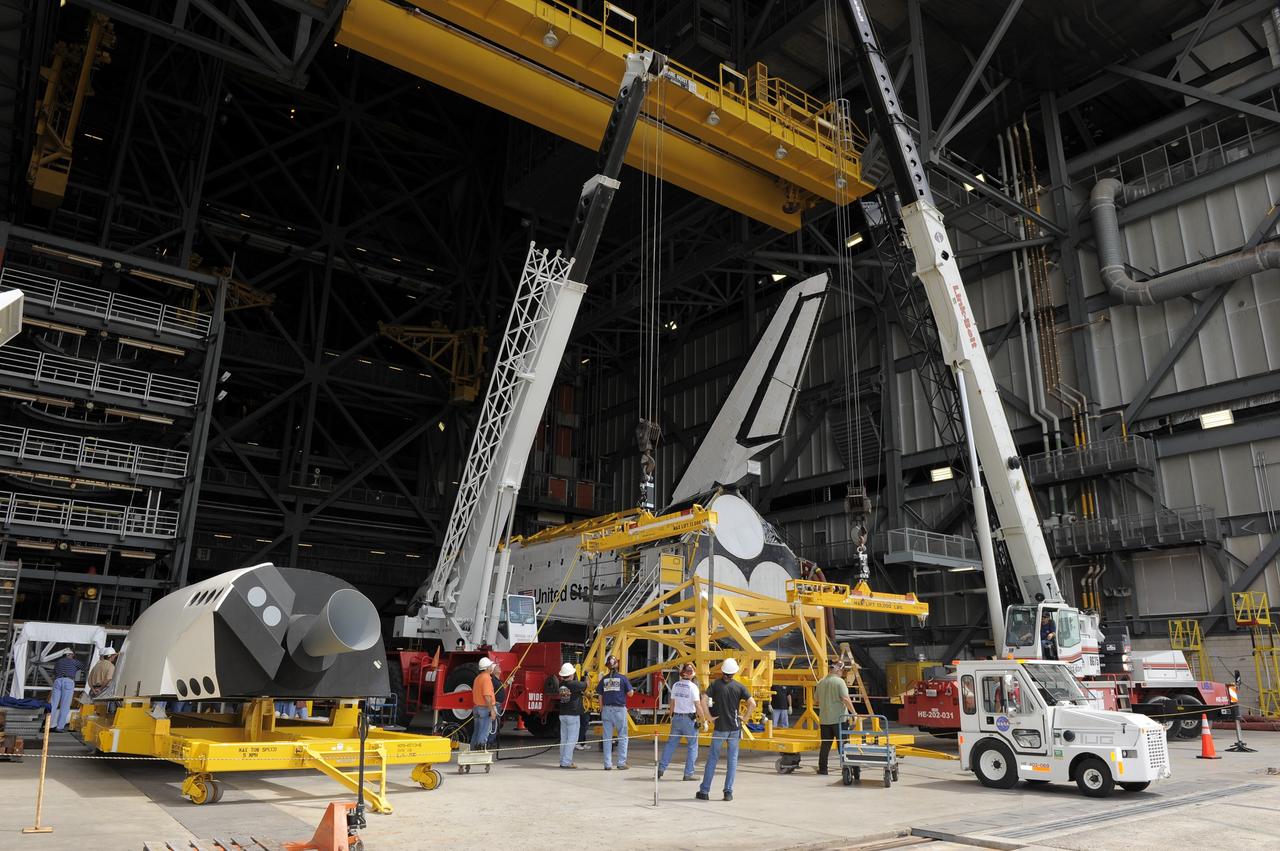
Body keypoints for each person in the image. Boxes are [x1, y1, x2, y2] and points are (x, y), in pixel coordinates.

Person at [697, 658, 754, 802]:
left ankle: (704, 791)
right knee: (732, 760)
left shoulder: (715, 684)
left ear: (722, 671)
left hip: (720, 727)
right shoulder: (739, 687)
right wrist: (745, 718)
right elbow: (752, 704)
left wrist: (709, 717)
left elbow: (703, 700)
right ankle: (728, 792)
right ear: (734, 672)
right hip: (734, 727)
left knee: (712, 759)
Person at [658, 663, 708, 781]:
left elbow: (672, 703)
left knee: (670, 745)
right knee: (692, 746)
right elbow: (698, 705)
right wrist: (704, 720)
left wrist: (671, 716)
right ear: (691, 674)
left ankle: (661, 769)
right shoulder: (693, 687)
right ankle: (688, 774)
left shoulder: (675, 685)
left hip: (676, 718)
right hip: (689, 720)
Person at [816, 660, 856, 776]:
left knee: (825, 745)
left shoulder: (820, 682)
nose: (842, 673)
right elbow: (845, 699)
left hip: (824, 719)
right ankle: (846, 768)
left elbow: (816, 699)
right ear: (838, 670)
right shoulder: (840, 682)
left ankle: (823, 769)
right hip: (839, 719)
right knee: (843, 745)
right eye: (842, 670)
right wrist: (854, 713)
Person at [597, 654, 633, 770]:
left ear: (608, 666)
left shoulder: (604, 679)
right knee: (622, 735)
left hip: (606, 709)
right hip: (619, 710)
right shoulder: (623, 678)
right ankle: (621, 763)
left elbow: (600, 696)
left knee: (607, 738)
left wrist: (602, 708)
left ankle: (607, 764)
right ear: (617, 665)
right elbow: (630, 693)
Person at [555, 662, 586, 768]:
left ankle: (562, 760)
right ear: (571, 674)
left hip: (563, 715)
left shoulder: (561, 684)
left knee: (564, 739)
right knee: (572, 740)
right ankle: (566, 762)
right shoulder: (574, 685)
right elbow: (585, 685)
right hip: (572, 715)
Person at [49, 648, 84, 732]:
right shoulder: (74, 661)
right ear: (71, 655)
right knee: (65, 705)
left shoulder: (59, 662)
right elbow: (83, 666)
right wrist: (74, 668)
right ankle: (59, 727)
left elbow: (54, 672)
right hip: (68, 681)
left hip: (57, 681)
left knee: (53, 705)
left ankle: (48, 725)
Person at [471, 657, 497, 750]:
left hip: (477, 708)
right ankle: (480, 750)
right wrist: (492, 710)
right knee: (484, 731)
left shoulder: (478, 678)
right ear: (486, 668)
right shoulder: (486, 679)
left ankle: (473, 750)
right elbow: (487, 696)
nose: (491, 667)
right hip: (485, 709)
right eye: (490, 666)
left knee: (477, 731)